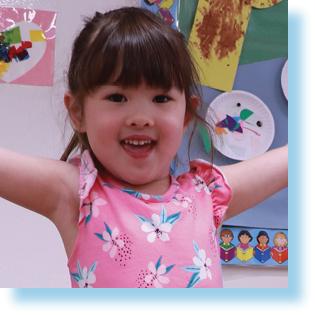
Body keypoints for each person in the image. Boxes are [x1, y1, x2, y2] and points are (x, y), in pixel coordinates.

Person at [0, 7, 288, 288]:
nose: (140, 118)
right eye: (117, 97)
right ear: (78, 112)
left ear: (186, 114)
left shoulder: (208, 195)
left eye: (161, 99)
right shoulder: (73, 193)